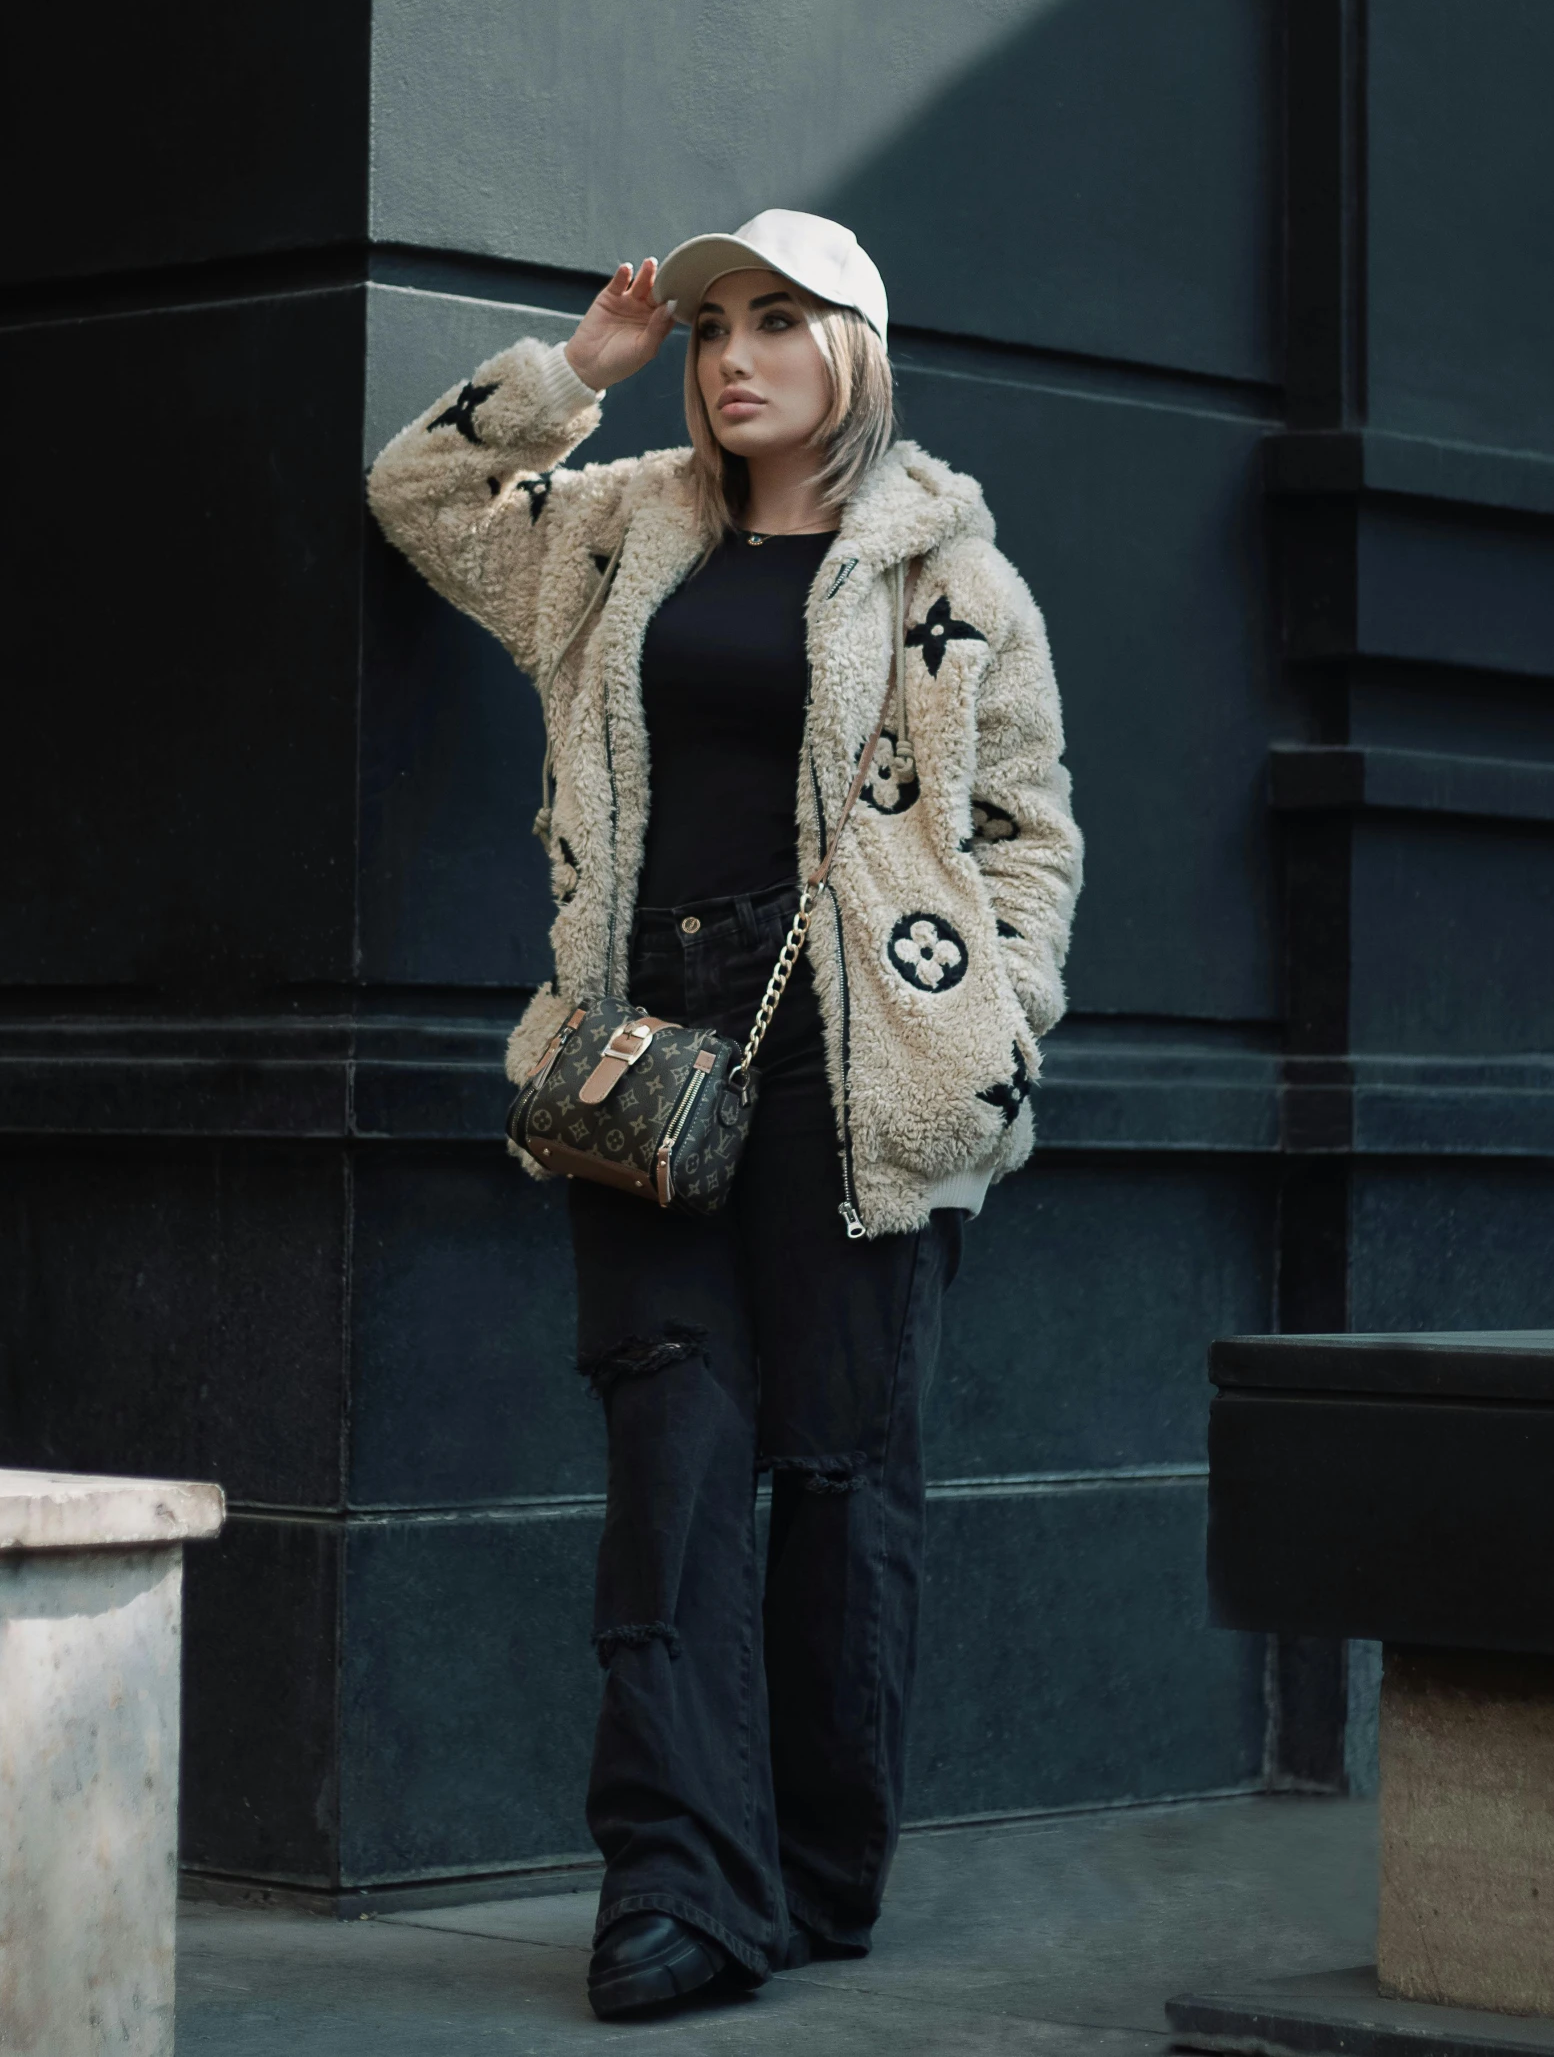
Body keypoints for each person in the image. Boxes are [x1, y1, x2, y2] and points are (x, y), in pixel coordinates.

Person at [368, 210, 1083, 2020]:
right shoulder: (617, 532)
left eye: (778, 320)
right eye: (710, 327)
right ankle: (678, 1887)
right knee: (672, 1472)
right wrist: (572, 376)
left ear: (856, 343)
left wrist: (992, 1022)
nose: (732, 353)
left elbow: (1028, 834)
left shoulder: (953, 576)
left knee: (843, 1480)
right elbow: (421, 500)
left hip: (862, 1076)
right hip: (648, 1064)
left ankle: (821, 1866)